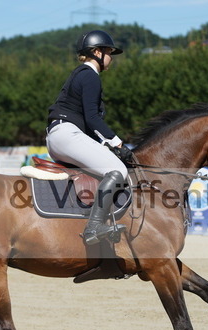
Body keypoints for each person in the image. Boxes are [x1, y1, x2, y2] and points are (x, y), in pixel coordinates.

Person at [46, 29, 130, 245]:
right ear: (96, 52)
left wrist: (105, 143)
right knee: (118, 169)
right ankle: (94, 227)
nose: (111, 57)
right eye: (109, 52)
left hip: (60, 135)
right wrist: (118, 143)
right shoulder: (90, 75)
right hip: (67, 134)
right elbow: (92, 119)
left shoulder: (80, 74)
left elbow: (89, 124)